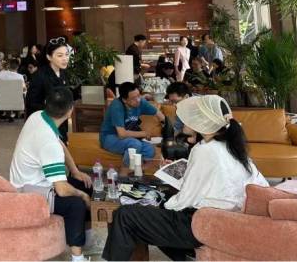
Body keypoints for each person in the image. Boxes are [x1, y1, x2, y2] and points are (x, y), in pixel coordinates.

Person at [103, 95, 268, 261]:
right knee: (154, 208)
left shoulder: (204, 150)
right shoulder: (232, 146)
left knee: (125, 215)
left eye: (192, 115)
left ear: (202, 122)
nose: (184, 120)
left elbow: (184, 200)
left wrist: (158, 204)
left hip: (203, 224)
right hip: (228, 221)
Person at [10, 87, 91, 262]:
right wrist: (82, 195)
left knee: (85, 183)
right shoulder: (48, 144)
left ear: (47, 104)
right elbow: (61, 189)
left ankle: (86, 238)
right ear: (70, 110)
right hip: (28, 192)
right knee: (76, 204)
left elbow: (59, 143)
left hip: (31, 181)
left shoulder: (38, 116)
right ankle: (77, 257)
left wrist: (75, 172)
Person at [99, 82, 164, 167]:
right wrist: (144, 133)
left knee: (149, 150)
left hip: (128, 138)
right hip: (109, 137)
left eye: (138, 95)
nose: (138, 100)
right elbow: (121, 134)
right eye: (133, 98)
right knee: (135, 144)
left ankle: (137, 171)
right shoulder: (117, 106)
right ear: (124, 100)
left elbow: (159, 115)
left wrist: (167, 127)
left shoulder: (141, 102)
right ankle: (124, 172)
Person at [26, 39, 79, 142]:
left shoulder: (63, 73)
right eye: (60, 55)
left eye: (66, 54)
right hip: (45, 125)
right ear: (49, 57)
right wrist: (54, 110)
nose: (65, 59)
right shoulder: (40, 76)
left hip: (61, 123)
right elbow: (31, 103)